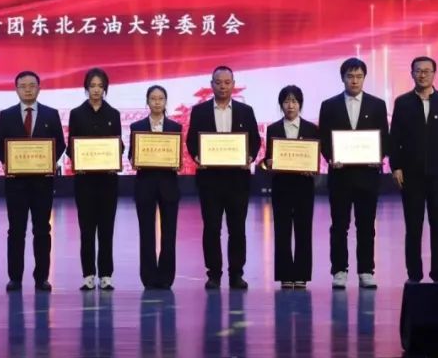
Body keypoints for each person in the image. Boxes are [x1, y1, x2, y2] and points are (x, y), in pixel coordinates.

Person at [186, 65, 262, 290]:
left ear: (233, 84)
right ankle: (214, 274)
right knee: (211, 228)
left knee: (237, 228)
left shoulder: (245, 111)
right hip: (209, 180)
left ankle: (236, 274)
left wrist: (249, 156)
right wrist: (198, 156)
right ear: (212, 85)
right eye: (218, 82)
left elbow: (255, 140)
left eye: (227, 82)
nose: (223, 86)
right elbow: (191, 141)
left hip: (237, 180)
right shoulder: (199, 111)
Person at [389, 56, 438, 284]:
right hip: (411, 176)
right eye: (418, 71)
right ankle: (414, 275)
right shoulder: (402, 103)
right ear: (412, 74)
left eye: (427, 71)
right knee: (413, 227)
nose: (422, 75)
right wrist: (396, 166)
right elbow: (395, 139)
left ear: (434, 74)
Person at [318, 57, 389, 289]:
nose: (354, 81)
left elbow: (384, 137)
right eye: (350, 76)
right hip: (340, 176)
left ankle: (366, 271)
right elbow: (324, 139)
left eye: (359, 76)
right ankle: (339, 270)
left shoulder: (377, 105)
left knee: (366, 225)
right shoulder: (329, 105)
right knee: (339, 225)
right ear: (343, 78)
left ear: (364, 78)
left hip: (368, 176)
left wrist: (378, 155)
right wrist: (331, 158)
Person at [0, 70, 66, 292]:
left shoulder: (51, 114)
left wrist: (46, 161)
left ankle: (41, 277)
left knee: (42, 230)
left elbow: (60, 144)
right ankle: (15, 278)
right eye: (23, 86)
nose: (27, 89)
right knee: (16, 231)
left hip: (42, 183)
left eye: (32, 85)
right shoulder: (6, 115)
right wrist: (11, 163)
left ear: (39, 88)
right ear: (16, 89)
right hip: (16, 183)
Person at [67, 67, 124, 291]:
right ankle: (88, 275)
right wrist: (80, 159)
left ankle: (106, 274)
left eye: (100, 86)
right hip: (85, 182)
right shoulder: (76, 113)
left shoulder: (114, 114)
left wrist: (113, 154)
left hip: (108, 181)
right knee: (87, 230)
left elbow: (119, 145)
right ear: (86, 88)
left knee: (107, 229)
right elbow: (71, 147)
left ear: (105, 88)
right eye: (92, 86)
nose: (96, 90)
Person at [262, 85, 319, 288]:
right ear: (281, 105)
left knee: (304, 231)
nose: (290, 105)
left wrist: (312, 169)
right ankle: (285, 274)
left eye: (294, 101)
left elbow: (314, 158)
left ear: (300, 104)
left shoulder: (311, 128)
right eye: (286, 101)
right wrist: (268, 163)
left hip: (304, 187)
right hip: (282, 187)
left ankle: (302, 274)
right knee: (282, 231)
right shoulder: (273, 129)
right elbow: (267, 159)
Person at [129, 85, 181, 290]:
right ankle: (149, 277)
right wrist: (135, 160)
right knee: (146, 232)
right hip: (145, 185)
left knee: (169, 233)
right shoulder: (137, 126)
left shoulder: (175, 127)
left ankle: (166, 277)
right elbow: (132, 156)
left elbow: (178, 156)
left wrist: (176, 162)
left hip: (169, 185)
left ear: (165, 101)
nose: (157, 102)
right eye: (153, 98)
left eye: (161, 98)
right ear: (147, 102)